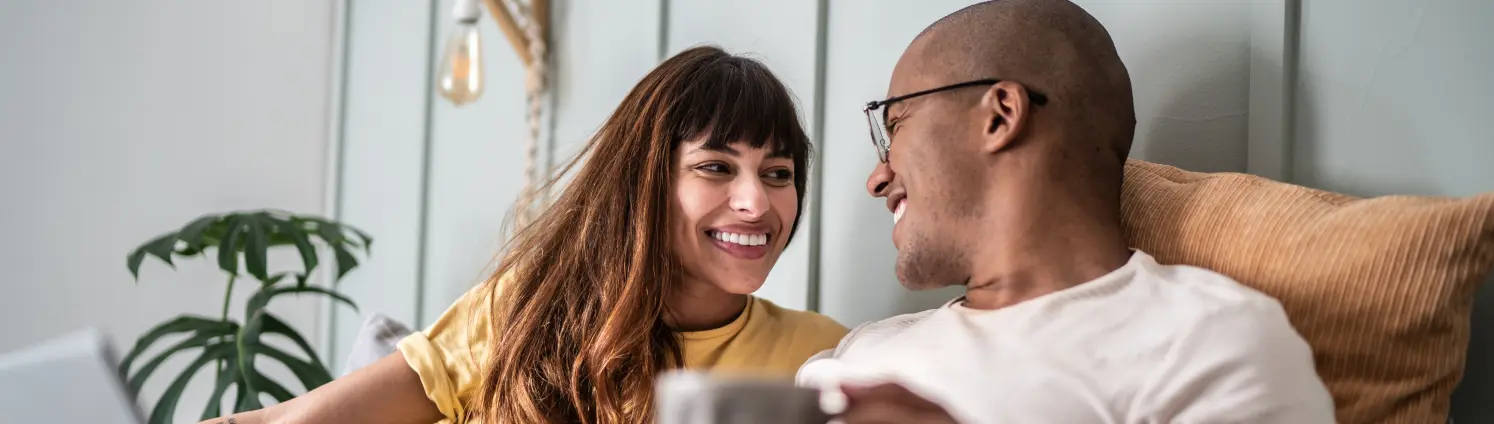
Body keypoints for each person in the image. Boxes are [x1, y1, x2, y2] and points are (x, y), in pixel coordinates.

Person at [203, 46, 847, 424]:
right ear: (645, 184)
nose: (755, 201)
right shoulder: (528, 307)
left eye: (778, 173)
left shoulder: (823, 359)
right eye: (716, 167)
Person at [795, 1, 1336, 423]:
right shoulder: (858, 353)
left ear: (1001, 115)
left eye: (895, 127)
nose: (877, 177)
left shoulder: (1208, 341)